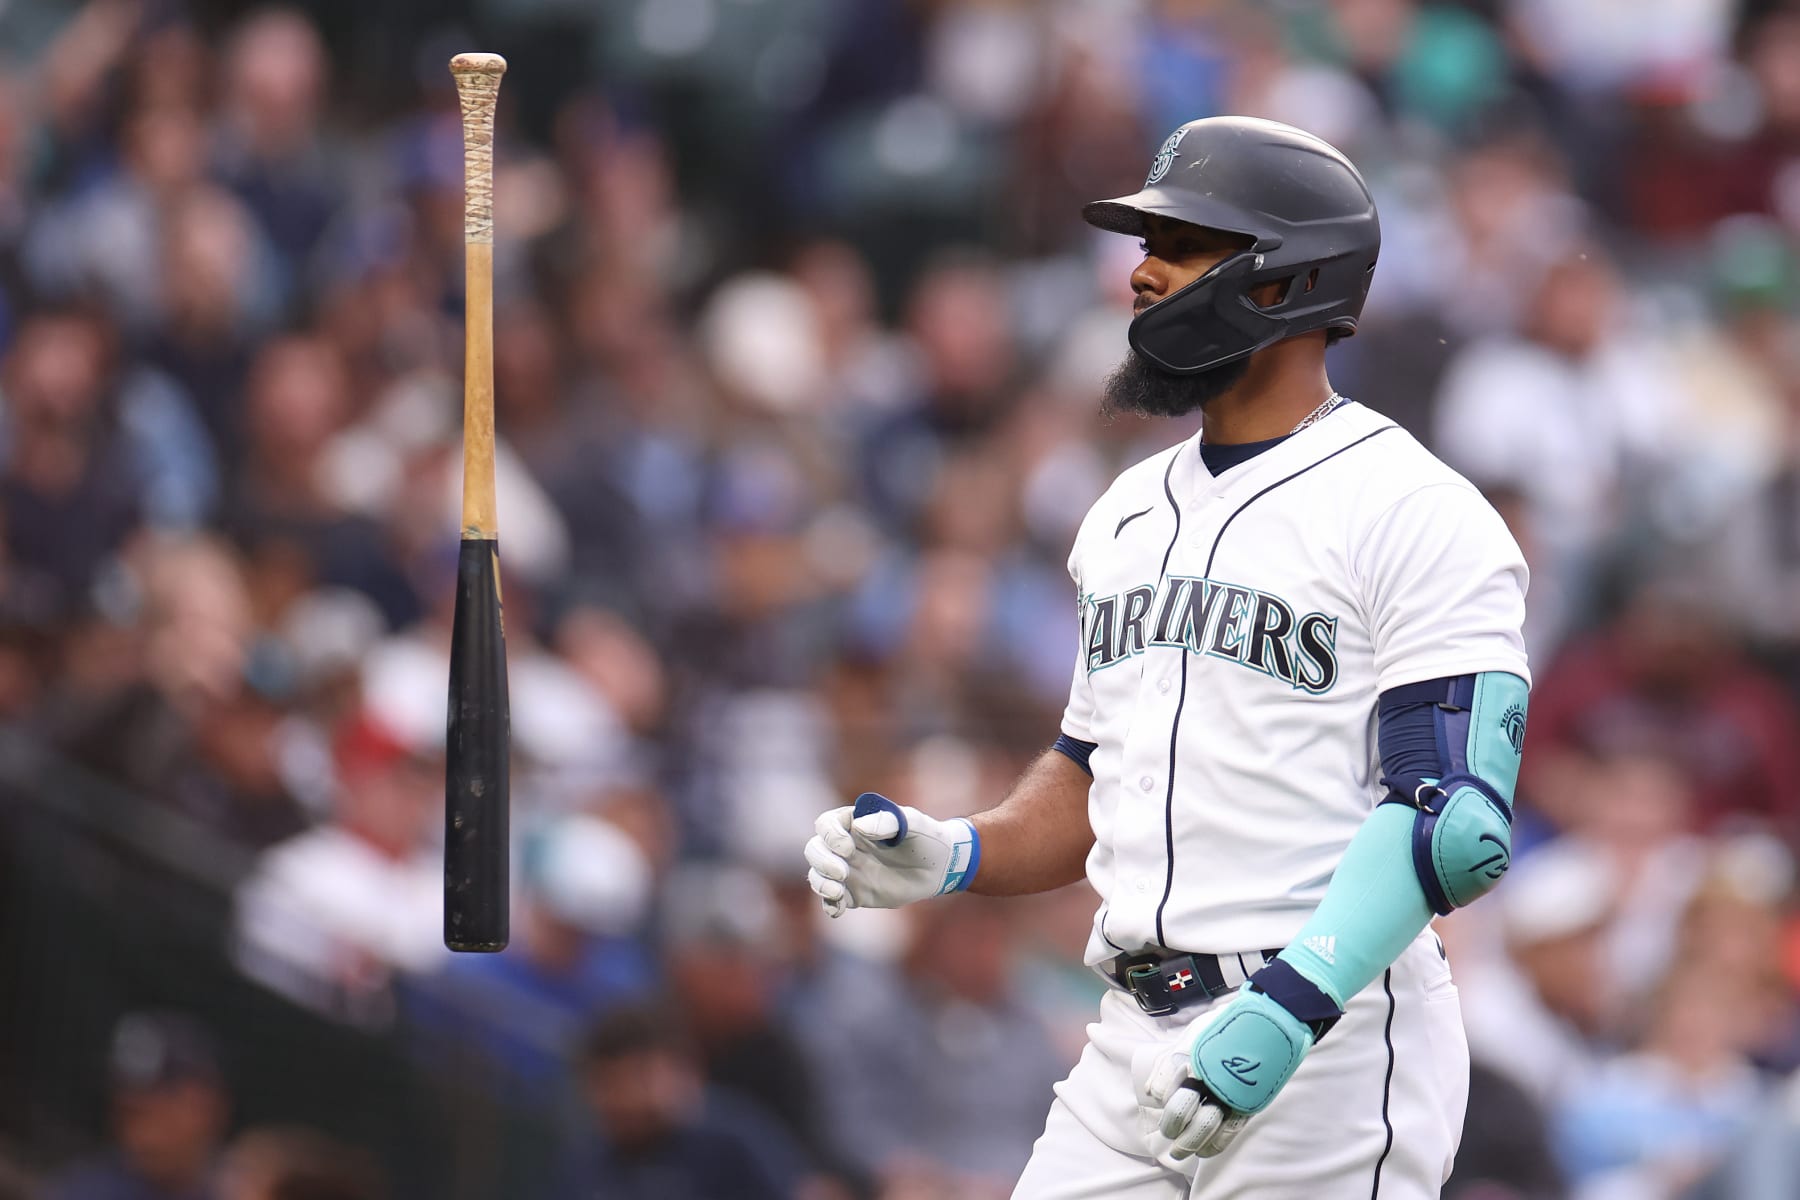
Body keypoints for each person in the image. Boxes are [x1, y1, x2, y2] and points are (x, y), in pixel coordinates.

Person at [804, 116, 1531, 1198]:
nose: (1140, 273)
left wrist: (1287, 1010)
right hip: (1128, 1038)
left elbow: (1458, 823)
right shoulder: (1126, 513)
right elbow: (1095, 770)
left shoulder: (1414, 507)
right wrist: (962, 852)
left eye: (1182, 245)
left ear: (1285, 282)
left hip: (1327, 1045)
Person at [44, 1012, 230, 1200]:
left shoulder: (239, 1187)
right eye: (127, 1114)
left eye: (157, 1117)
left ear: (205, 1108)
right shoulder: (85, 1191)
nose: (140, 1137)